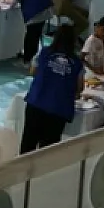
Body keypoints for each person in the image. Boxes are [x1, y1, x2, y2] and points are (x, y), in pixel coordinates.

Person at [20, 24, 84, 154]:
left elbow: (33, 72)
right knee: (48, 151)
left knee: (28, 145)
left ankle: (23, 173)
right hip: (59, 109)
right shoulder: (77, 63)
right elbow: (80, 88)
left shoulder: (43, 52)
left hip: (37, 103)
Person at [0, 0, 53, 66]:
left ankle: (27, 61)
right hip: (45, 5)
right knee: (35, 34)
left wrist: (8, 1)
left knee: (31, 36)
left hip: (35, 9)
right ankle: (31, 59)